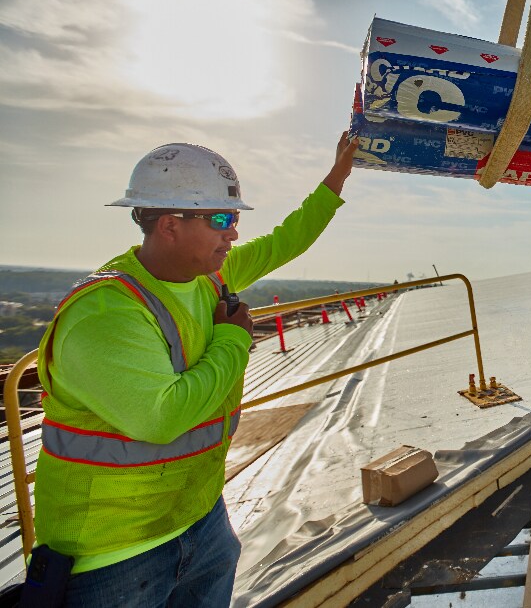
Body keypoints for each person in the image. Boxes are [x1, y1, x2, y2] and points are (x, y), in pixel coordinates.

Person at [32, 133, 360, 607]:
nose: (234, 233)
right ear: (169, 225)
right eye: (222, 219)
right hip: (113, 556)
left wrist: (338, 177)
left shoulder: (208, 277)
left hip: (199, 520)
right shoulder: (106, 311)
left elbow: (285, 241)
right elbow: (161, 419)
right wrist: (233, 337)